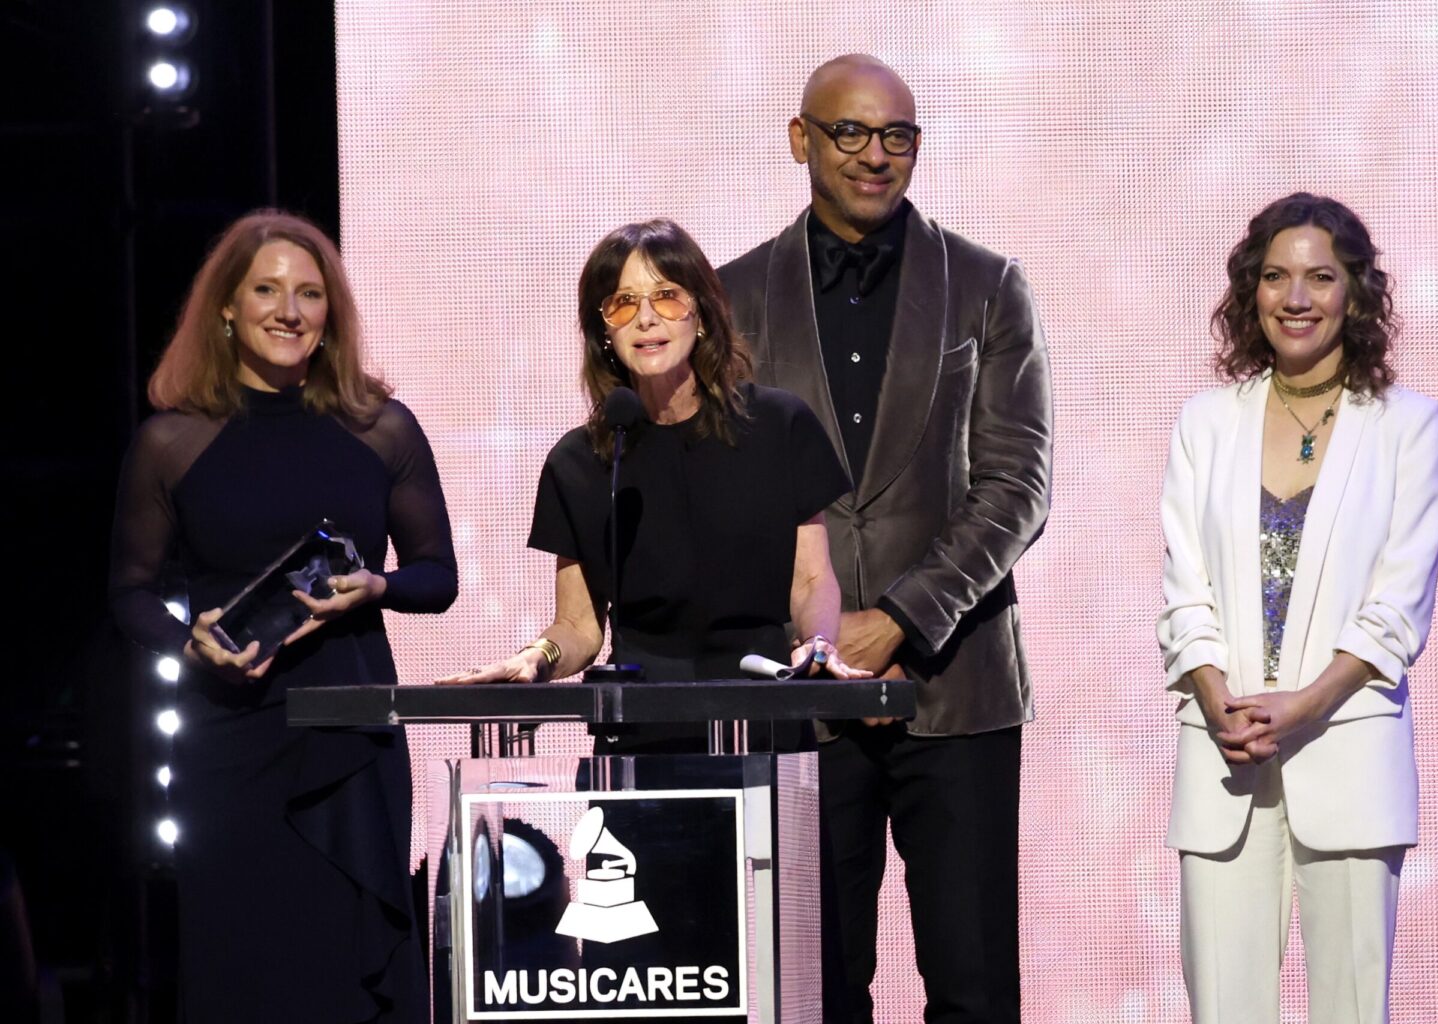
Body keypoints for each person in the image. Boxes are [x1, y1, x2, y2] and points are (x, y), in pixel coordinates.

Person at [717, 55, 1052, 1024]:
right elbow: (730, 493)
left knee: (976, 987)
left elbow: (1017, 483)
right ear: (801, 140)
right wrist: (820, 634)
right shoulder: (734, 296)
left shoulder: (987, 285)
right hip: (800, 693)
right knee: (812, 989)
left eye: (896, 134)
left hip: (958, 684)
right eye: (851, 133)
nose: (875, 154)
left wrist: (899, 616)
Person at [109, 210, 457, 1022]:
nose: (289, 310)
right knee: (244, 970)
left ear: (331, 311)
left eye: (309, 293)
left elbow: (436, 576)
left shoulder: (380, 429)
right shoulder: (173, 441)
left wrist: (378, 587)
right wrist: (188, 644)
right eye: (266, 289)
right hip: (231, 740)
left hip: (352, 737)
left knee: (349, 966)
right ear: (226, 307)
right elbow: (128, 591)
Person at [1158, 193, 1438, 1024]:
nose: (1297, 298)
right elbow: (1185, 591)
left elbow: (1399, 603)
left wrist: (1306, 706)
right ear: (1251, 291)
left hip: (1351, 756)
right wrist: (1221, 701)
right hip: (1225, 762)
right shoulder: (1206, 424)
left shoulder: (1408, 426)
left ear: (1354, 293)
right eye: (1277, 277)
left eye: (1321, 277)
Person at [437, 218, 867, 749]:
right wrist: (536, 658)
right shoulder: (582, 461)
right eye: (622, 304)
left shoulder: (780, 427)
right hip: (641, 731)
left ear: (702, 314)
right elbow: (579, 626)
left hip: (764, 719)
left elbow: (809, 582)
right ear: (604, 332)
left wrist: (818, 643)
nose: (645, 319)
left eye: (666, 297)